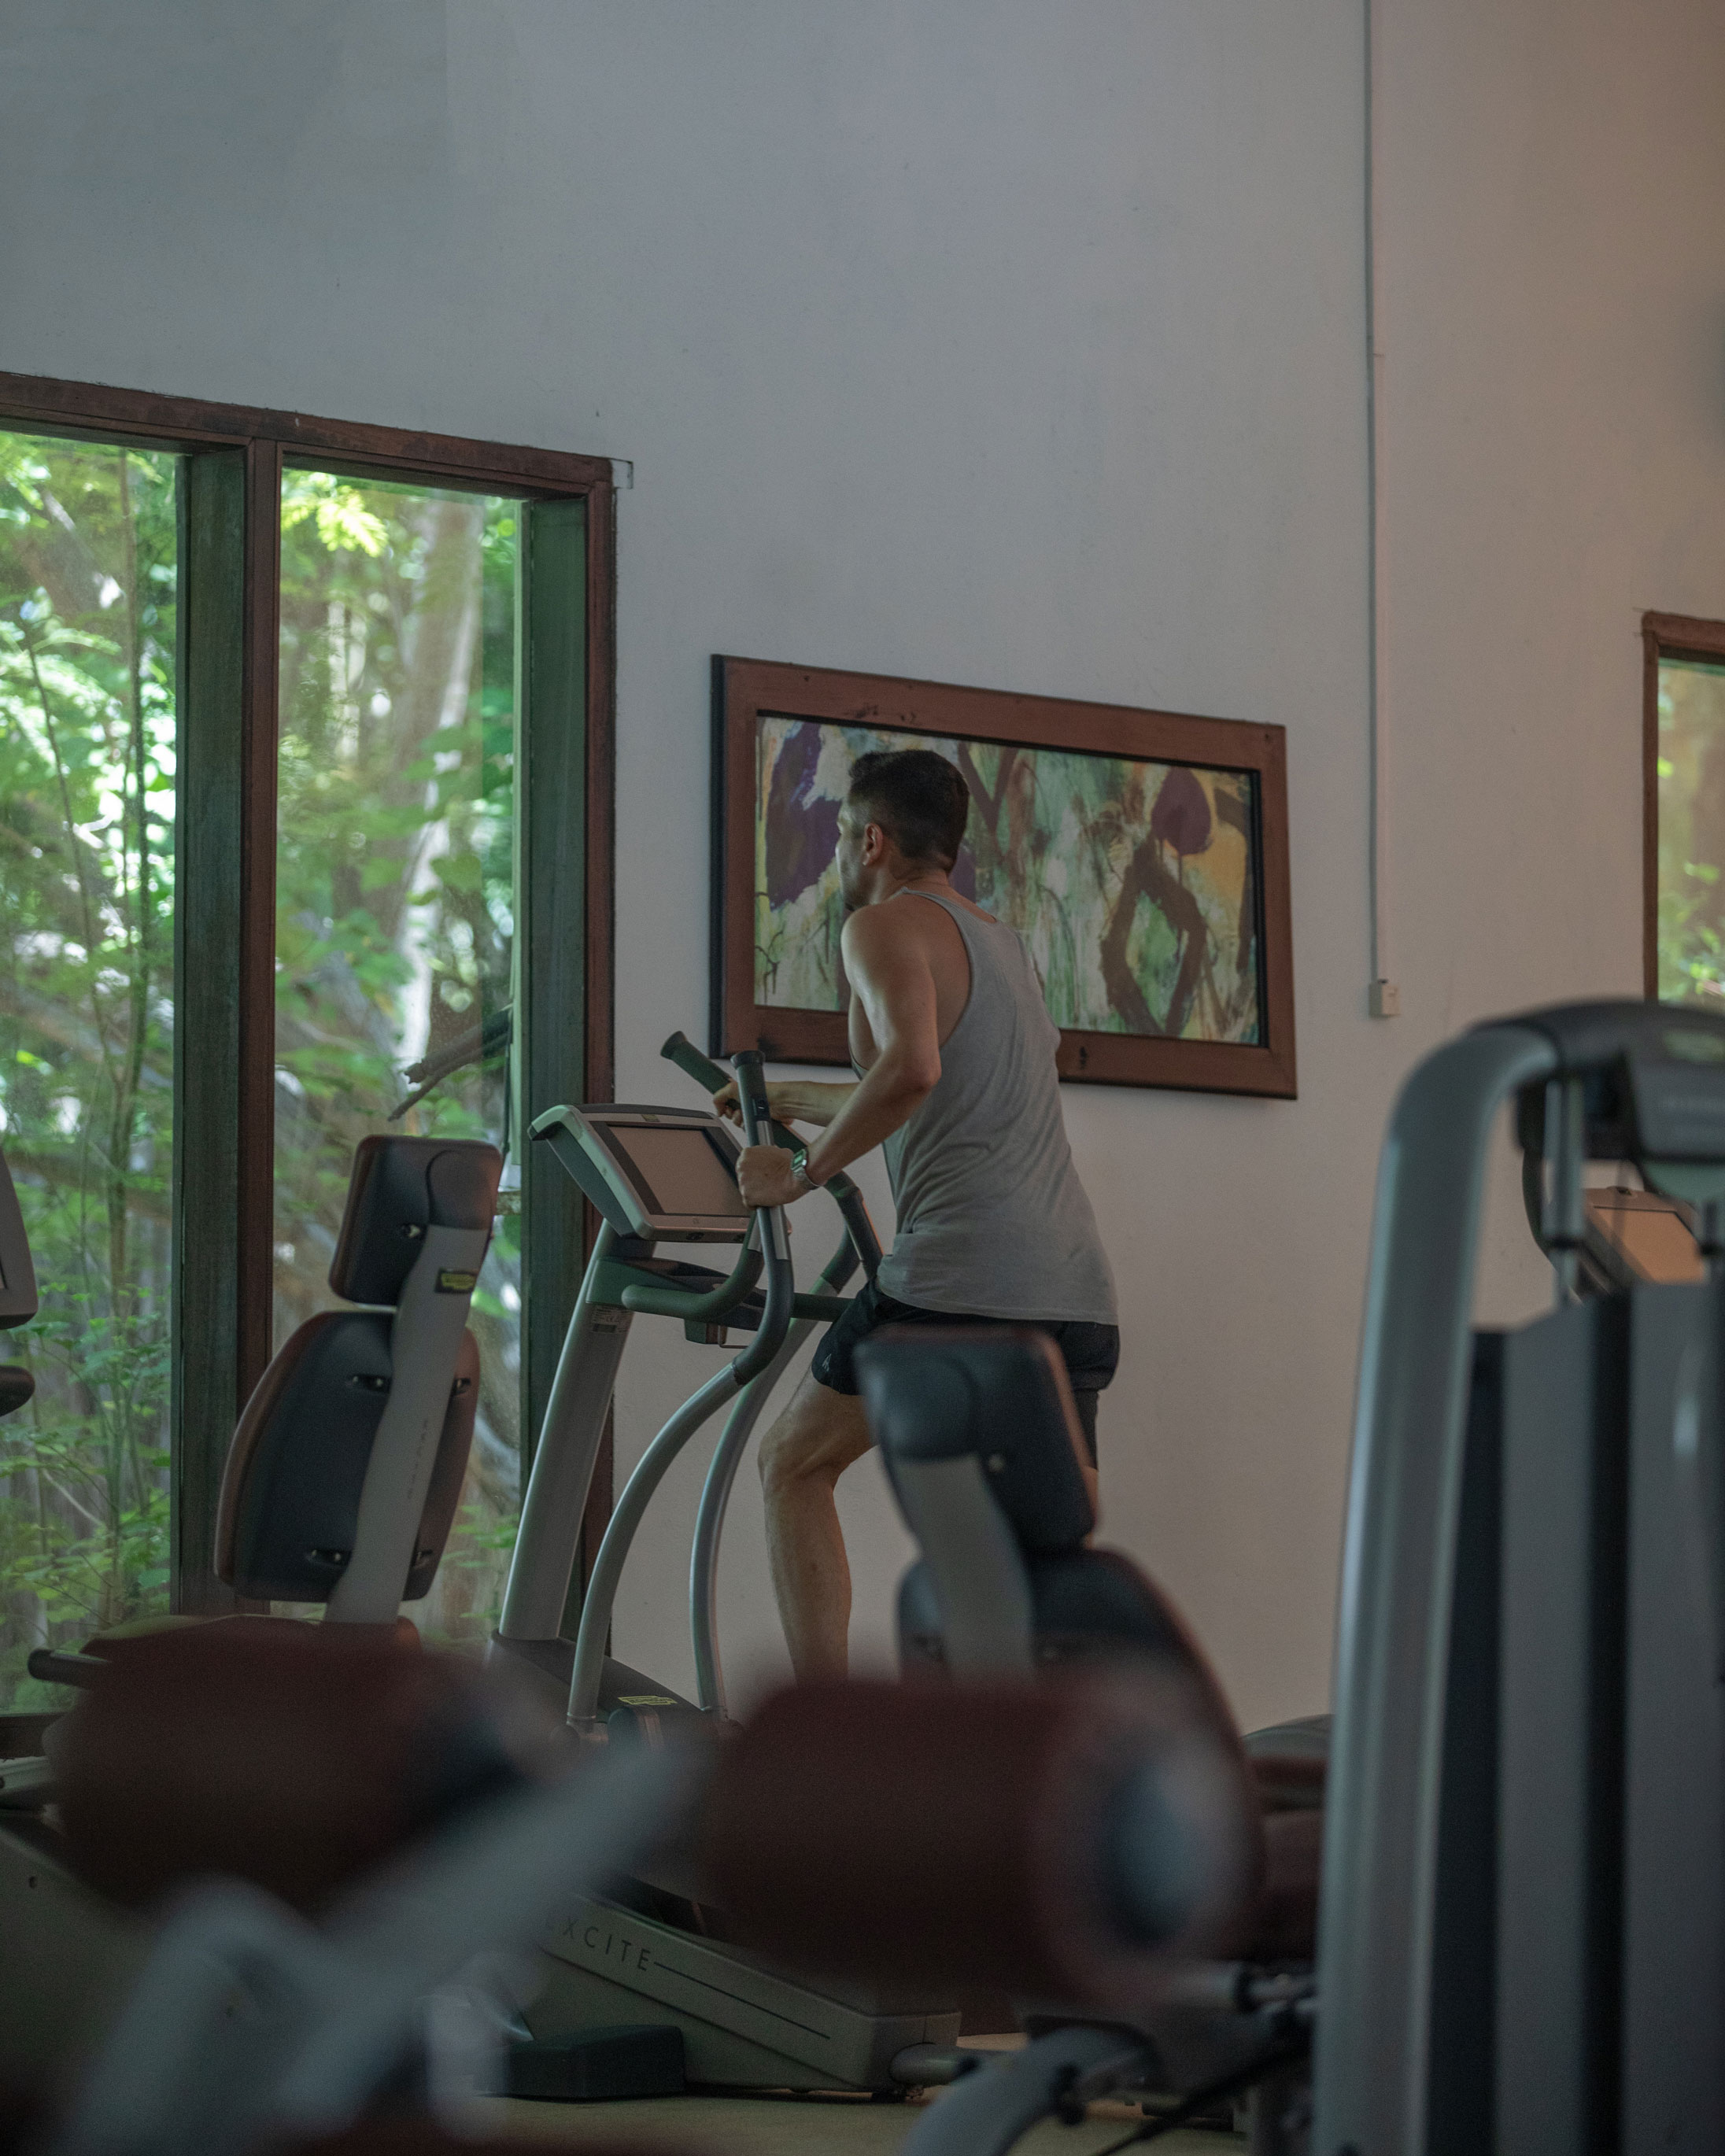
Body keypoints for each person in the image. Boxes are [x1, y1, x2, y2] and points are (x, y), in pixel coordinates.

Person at [715, 748, 1118, 1681]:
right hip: (1073, 1290)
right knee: (1054, 1540)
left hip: (960, 1277)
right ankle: (1042, 1755)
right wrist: (785, 1101)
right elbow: (922, 1085)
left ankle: (824, 1727)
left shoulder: (882, 925)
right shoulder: (1003, 943)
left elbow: (912, 1069)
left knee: (792, 1466)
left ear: (870, 838)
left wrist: (797, 1174)